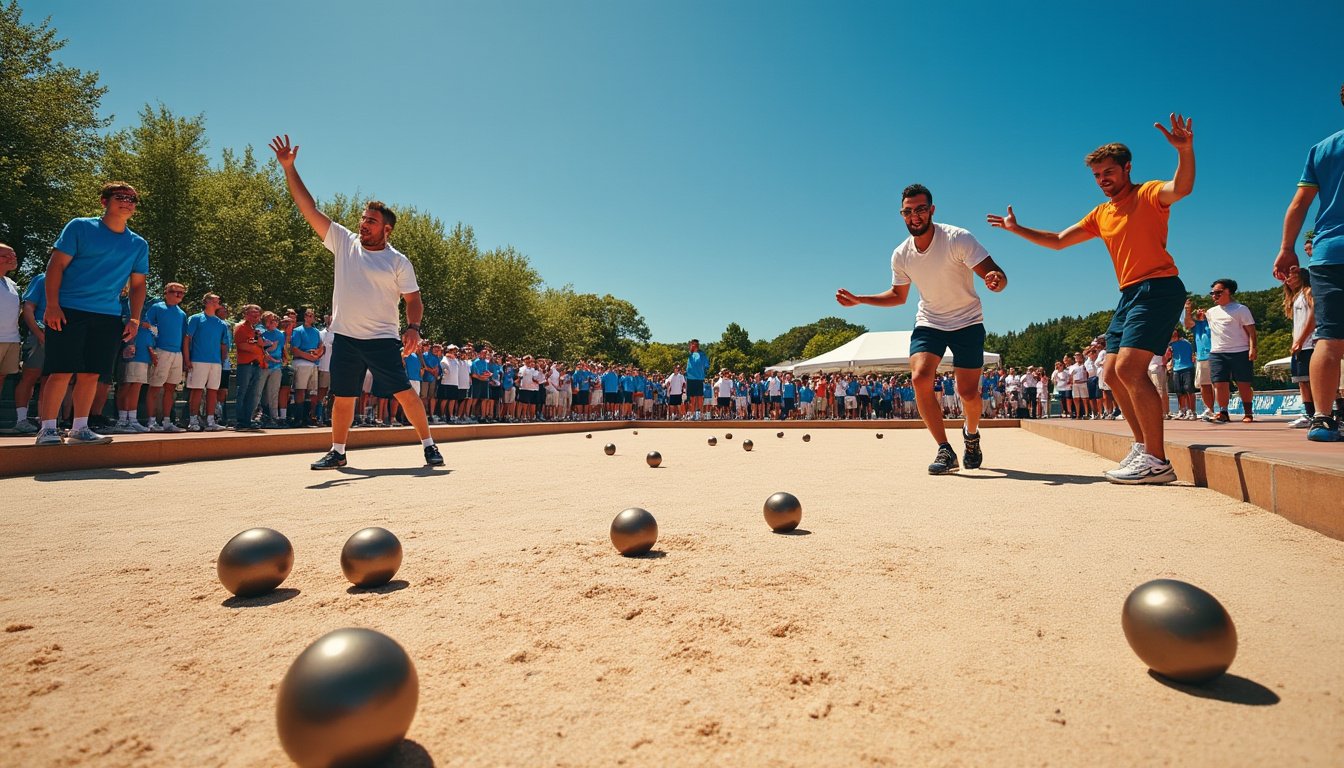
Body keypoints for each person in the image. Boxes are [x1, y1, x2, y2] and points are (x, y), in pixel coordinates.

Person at [988, 114, 1194, 484]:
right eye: (1097, 176)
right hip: (1129, 294)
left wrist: (1185, 151)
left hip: (1159, 287)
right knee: (1112, 374)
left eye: (1109, 173)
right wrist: (1017, 229)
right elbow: (1058, 240)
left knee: (1130, 369)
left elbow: (1181, 188)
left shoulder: (1147, 194)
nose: (1103, 181)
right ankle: (1142, 446)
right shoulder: (1101, 214)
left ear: (1127, 168)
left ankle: (1158, 460)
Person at [269, 135, 443, 469]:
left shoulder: (397, 261)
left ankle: (429, 446)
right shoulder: (343, 241)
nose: (363, 224)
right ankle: (338, 451)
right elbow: (308, 208)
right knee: (343, 397)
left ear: (386, 229)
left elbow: (413, 298)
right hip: (346, 337)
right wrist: (290, 169)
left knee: (405, 394)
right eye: (363, 219)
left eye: (371, 221)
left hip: (381, 339)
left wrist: (413, 328)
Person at [837, 183, 1007, 474]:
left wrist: (995, 280)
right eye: (908, 212)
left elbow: (996, 275)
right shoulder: (901, 254)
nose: (914, 216)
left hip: (967, 321)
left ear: (931, 210)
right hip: (930, 321)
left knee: (968, 394)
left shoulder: (957, 238)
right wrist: (861, 300)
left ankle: (972, 434)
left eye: (920, 210)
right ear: (902, 215)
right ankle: (944, 449)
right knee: (919, 377)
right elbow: (898, 296)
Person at [35, 182, 148, 445]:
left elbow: (138, 284)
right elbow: (56, 266)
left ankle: (80, 428)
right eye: (120, 197)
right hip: (69, 310)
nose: (127, 202)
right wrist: (52, 304)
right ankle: (48, 429)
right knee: (61, 370)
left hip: (108, 316)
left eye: (132, 199)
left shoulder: (138, 243)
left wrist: (134, 317)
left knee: (93, 374)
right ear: (104, 201)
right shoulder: (80, 226)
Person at [1274, 84, 1344, 442]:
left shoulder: (1323, 149)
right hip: (1329, 254)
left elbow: (1299, 204)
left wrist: (1287, 248)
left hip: (1329, 254)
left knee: (1329, 339)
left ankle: (1322, 418)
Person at [1204, 278, 1257, 424]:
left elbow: (1251, 331)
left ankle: (1248, 413)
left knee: (1243, 383)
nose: (1214, 295)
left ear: (1229, 292)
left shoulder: (1241, 309)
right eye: (1212, 293)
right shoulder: (1210, 312)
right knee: (1219, 383)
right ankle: (1223, 412)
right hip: (1217, 352)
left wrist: (1253, 348)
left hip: (1240, 351)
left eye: (1218, 292)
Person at [144, 283, 188, 432]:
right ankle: (151, 422)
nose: (179, 295)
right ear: (167, 292)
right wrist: (151, 348)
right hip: (161, 350)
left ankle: (167, 421)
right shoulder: (157, 308)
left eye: (182, 293)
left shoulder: (182, 314)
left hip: (177, 353)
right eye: (176, 292)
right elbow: (147, 327)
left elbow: (183, 336)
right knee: (155, 387)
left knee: (171, 388)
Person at [183, 292, 231, 432]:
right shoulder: (196, 319)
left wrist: (221, 361)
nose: (219, 302)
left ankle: (211, 421)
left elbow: (224, 345)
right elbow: (187, 339)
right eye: (217, 300)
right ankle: (193, 420)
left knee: (213, 391)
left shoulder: (221, 323)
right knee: (197, 390)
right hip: (198, 360)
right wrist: (187, 359)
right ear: (208, 302)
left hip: (215, 363)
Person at [1284, 267, 1315, 428]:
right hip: (1300, 345)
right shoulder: (1297, 296)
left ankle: (1320, 413)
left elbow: (1313, 316)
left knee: (1312, 381)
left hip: (1309, 344)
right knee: (1302, 381)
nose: (1287, 279)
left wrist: (1301, 340)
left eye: (1290, 276)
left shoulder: (1308, 292)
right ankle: (1310, 413)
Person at [1168, 328, 1196, 419]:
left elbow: (1193, 353)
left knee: (1188, 389)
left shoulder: (1186, 343)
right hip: (1176, 369)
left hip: (1188, 368)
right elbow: (1170, 355)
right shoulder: (1171, 344)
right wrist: (1170, 363)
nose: (1172, 336)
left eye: (1174, 334)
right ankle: (1182, 410)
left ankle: (1191, 411)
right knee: (1178, 391)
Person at [685, 339, 709, 420]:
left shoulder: (702, 354)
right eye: (692, 344)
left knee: (699, 397)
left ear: (697, 345)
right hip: (690, 378)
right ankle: (692, 414)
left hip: (699, 378)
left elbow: (706, 365)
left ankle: (701, 414)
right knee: (692, 398)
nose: (693, 345)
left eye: (694, 344)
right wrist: (690, 350)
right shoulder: (689, 354)